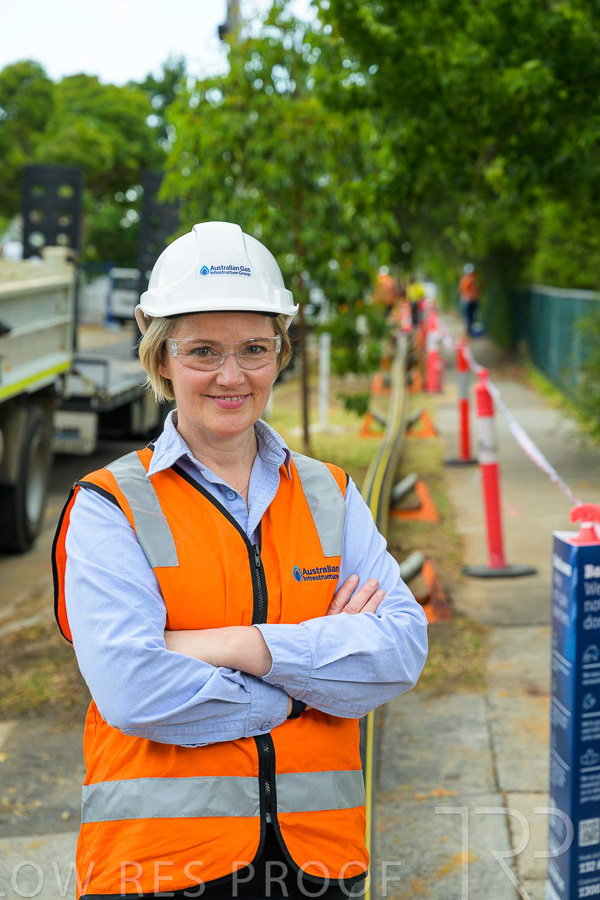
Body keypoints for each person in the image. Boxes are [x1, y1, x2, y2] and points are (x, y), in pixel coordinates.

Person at [53, 222, 428, 900]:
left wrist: (235, 646)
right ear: (161, 359)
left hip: (319, 864)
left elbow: (400, 651)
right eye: (203, 351)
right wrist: (312, 682)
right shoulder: (110, 505)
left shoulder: (330, 493)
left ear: (279, 354)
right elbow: (133, 690)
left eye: (254, 349)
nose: (232, 376)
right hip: (157, 866)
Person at [458, 263, 483, 337]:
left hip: (472, 300)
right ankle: (469, 332)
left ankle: (470, 331)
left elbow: (479, 289)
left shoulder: (474, 279)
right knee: (469, 317)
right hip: (468, 301)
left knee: (472, 317)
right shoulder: (466, 280)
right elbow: (462, 290)